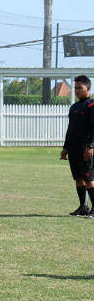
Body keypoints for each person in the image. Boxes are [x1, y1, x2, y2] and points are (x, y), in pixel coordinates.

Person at [61, 75, 94, 216]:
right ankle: (83, 207)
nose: (77, 90)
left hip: (85, 147)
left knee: (88, 178)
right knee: (78, 178)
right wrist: (65, 147)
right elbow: (71, 128)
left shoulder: (92, 105)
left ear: (88, 88)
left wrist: (91, 145)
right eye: (75, 88)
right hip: (73, 148)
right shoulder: (74, 107)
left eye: (80, 88)